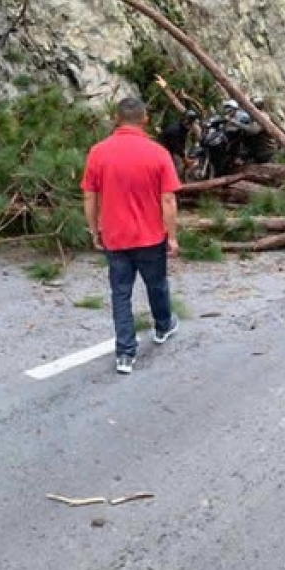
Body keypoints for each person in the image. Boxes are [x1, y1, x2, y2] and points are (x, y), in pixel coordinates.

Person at [81, 98, 181, 375]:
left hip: (115, 236)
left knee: (120, 294)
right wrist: (171, 236)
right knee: (157, 285)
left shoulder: (98, 152)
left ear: (116, 118)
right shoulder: (158, 153)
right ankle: (163, 326)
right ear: (145, 120)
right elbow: (169, 199)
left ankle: (125, 354)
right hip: (150, 237)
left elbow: (90, 196)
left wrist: (94, 230)